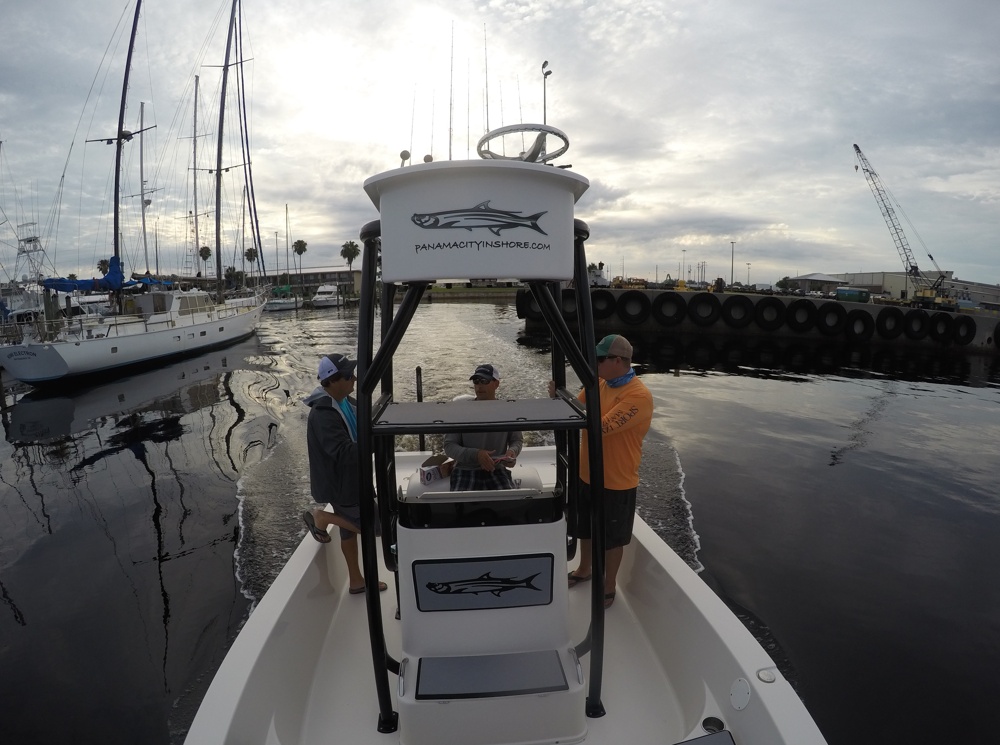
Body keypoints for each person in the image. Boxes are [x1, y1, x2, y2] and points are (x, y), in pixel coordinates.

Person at [549, 335, 652, 608]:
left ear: (617, 361)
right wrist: (559, 397)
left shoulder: (638, 396)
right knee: (585, 528)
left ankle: (609, 585)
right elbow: (577, 407)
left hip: (617, 481)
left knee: (611, 539)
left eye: (599, 360)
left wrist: (571, 404)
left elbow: (599, 426)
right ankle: (585, 569)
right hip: (586, 474)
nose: (593, 364)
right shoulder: (600, 383)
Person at [301, 353, 386, 595]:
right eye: (349, 376)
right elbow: (342, 451)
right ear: (333, 381)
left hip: (353, 479)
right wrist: (375, 442)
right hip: (342, 484)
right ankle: (322, 518)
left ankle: (357, 580)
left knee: (349, 531)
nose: (355, 379)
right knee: (378, 528)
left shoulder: (348, 402)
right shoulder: (323, 414)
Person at [444, 363, 523, 490]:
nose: (479, 386)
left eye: (484, 381)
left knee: (508, 505)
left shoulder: (508, 411)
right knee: (462, 507)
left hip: (496, 469)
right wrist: (476, 455)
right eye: (476, 381)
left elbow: (516, 440)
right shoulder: (460, 411)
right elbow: (449, 446)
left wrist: (512, 452)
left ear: (496, 384)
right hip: (465, 470)